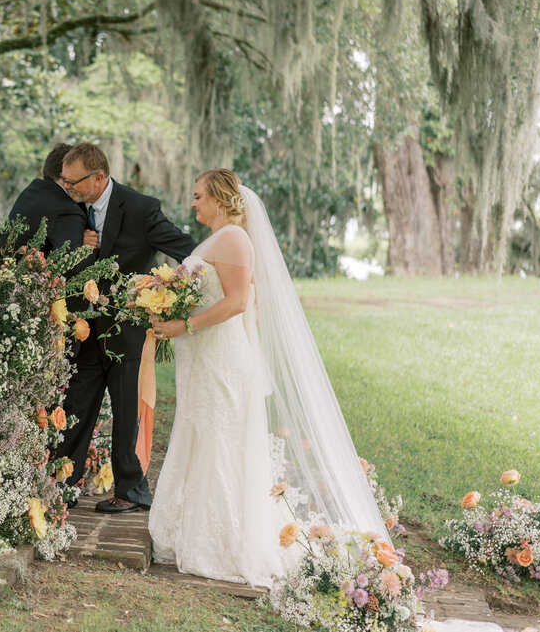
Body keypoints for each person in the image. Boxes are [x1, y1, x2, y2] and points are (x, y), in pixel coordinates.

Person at [147, 169, 385, 587]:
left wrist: (183, 326)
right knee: (200, 434)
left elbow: (238, 302)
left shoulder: (235, 239)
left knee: (220, 441)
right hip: (203, 359)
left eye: (198, 195)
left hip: (222, 359)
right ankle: (192, 528)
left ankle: (224, 540)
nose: (193, 202)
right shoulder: (217, 240)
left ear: (220, 198)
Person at [54, 143, 197, 514]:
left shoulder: (141, 208)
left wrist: (166, 295)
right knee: (76, 408)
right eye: (65, 183)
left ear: (98, 177)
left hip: (127, 331)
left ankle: (132, 491)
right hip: (85, 331)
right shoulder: (72, 209)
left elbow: (188, 253)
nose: (67, 189)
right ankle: (61, 487)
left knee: (125, 412)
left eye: (73, 183)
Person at [1, 144, 88, 259]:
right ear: (66, 175)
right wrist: (85, 246)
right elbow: (73, 268)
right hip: (14, 275)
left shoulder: (32, 190)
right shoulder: (68, 210)